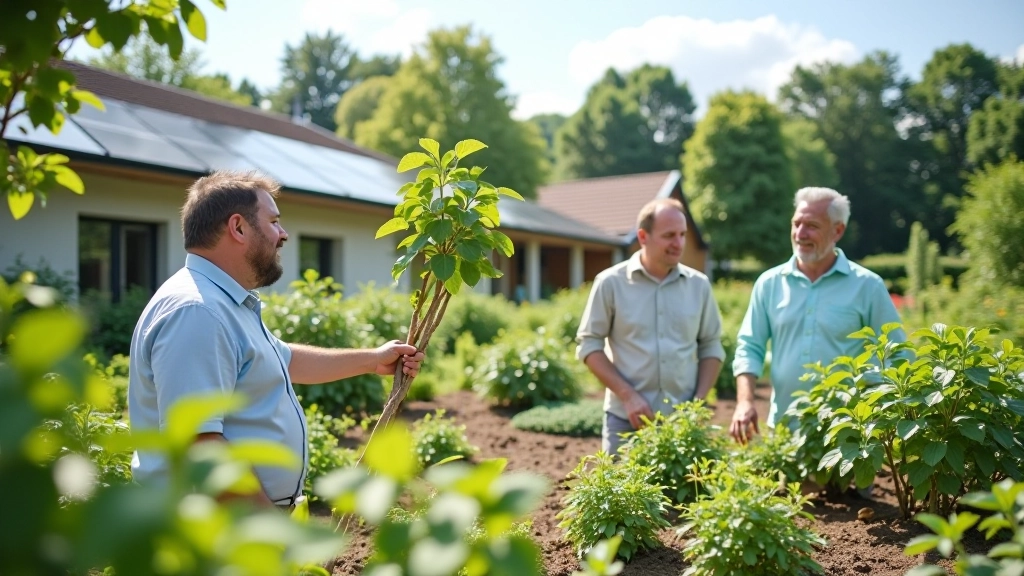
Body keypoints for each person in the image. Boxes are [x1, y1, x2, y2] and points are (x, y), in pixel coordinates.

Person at [128, 170, 423, 510]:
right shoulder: (198, 312)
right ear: (238, 228)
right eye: (273, 222)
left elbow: (282, 359)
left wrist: (373, 359)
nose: (283, 234)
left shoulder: (224, 302)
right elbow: (201, 445)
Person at [729, 187, 904, 445]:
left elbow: (897, 354)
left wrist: (880, 414)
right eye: (796, 223)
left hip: (849, 439)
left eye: (811, 225)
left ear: (838, 230)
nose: (800, 234)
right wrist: (745, 402)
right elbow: (749, 347)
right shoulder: (769, 284)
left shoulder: (867, 286)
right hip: (785, 432)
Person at [577, 198, 725, 456]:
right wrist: (628, 396)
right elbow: (589, 345)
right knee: (622, 495)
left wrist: (697, 405)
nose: (678, 244)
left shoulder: (699, 286)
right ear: (643, 236)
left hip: (683, 423)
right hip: (626, 420)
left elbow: (711, 345)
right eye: (669, 235)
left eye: (682, 235)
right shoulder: (610, 283)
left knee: (688, 497)